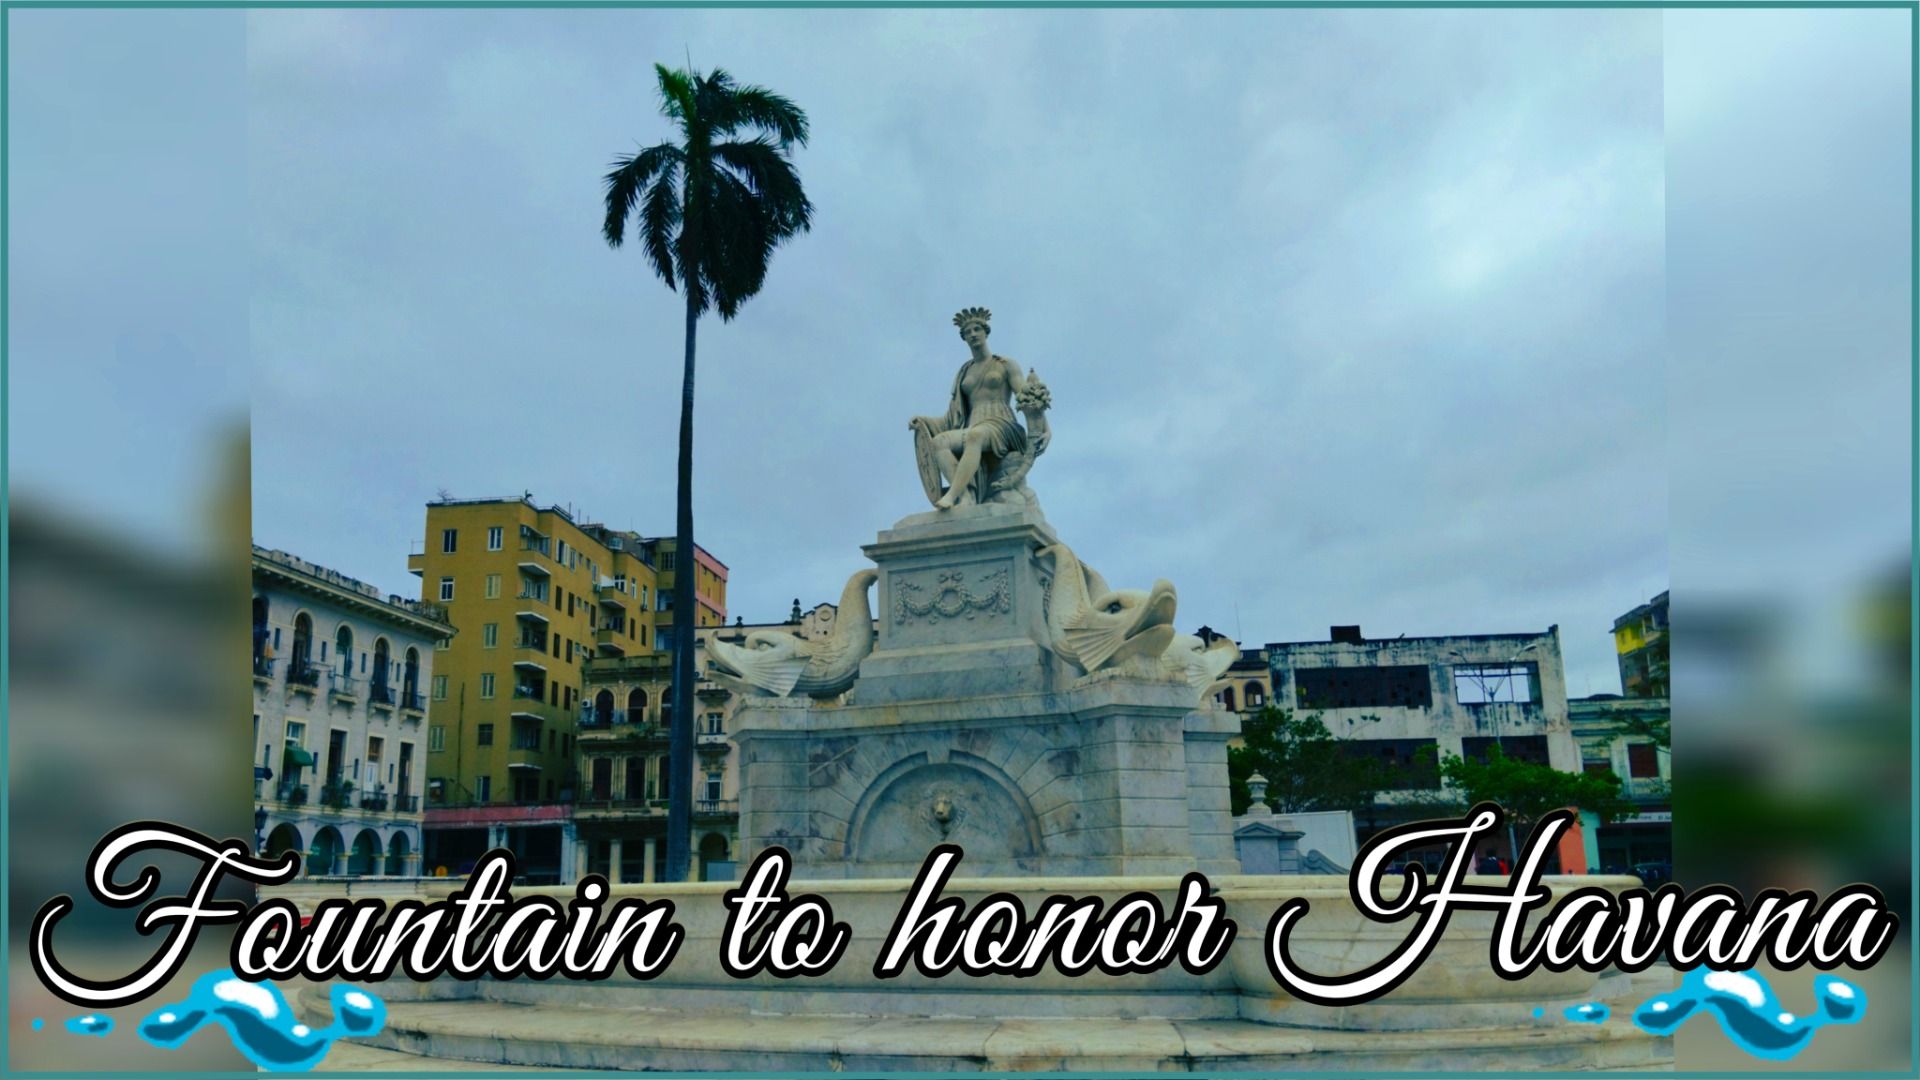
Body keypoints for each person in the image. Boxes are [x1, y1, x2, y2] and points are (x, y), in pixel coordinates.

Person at [909, 307, 1049, 509]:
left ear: (986, 332)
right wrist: (924, 421)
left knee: (975, 436)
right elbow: (952, 417)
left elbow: (1029, 400)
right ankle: (965, 497)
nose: (973, 334)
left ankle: (951, 494)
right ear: (964, 338)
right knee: (939, 442)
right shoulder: (964, 372)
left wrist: (1046, 428)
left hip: (1004, 426)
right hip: (975, 424)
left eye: (977, 329)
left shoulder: (1006, 364)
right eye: (968, 332)